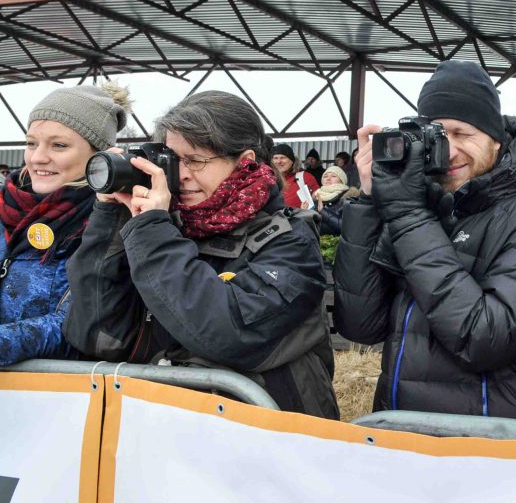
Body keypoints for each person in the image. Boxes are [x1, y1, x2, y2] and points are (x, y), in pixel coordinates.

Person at [334, 60, 516, 421]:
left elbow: (485, 338)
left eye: (462, 133)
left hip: (492, 447)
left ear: (496, 138)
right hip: (402, 436)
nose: (448, 151)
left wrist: (407, 214)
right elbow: (360, 325)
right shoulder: (424, 207)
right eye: (436, 136)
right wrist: (372, 202)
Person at [64, 91, 338, 418]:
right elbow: (97, 335)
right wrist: (112, 217)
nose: (179, 175)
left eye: (195, 160)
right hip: (161, 433)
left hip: (266, 433)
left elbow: (227, 334)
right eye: (172, 160)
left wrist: (152, 229)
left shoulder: (289, 238)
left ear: (245, 160)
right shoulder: (163, 228)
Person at [0, 84, 129, 366]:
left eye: (59, 145)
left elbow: (80, 326)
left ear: (101, 155)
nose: (37, 157)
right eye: (31, 143)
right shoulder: (5, 207)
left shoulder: (113, 222)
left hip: (60, 399)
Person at [314, 165, 359, 236]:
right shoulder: (317, 196)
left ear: (341, 180)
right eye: (325, 176)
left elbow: (347, 228)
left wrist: (323, 211)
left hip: (337, 244)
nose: (328, 178)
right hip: (317, 243)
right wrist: (305, 211)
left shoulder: (349, 198)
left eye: (333, 176)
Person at [271, 144, 319, 209]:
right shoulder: (270, 179)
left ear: (292, 161)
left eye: (282, 157)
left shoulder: (305, 177)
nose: (278, 161)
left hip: (299, 218)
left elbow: (318, 197)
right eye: (275, 158)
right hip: (276, 218)